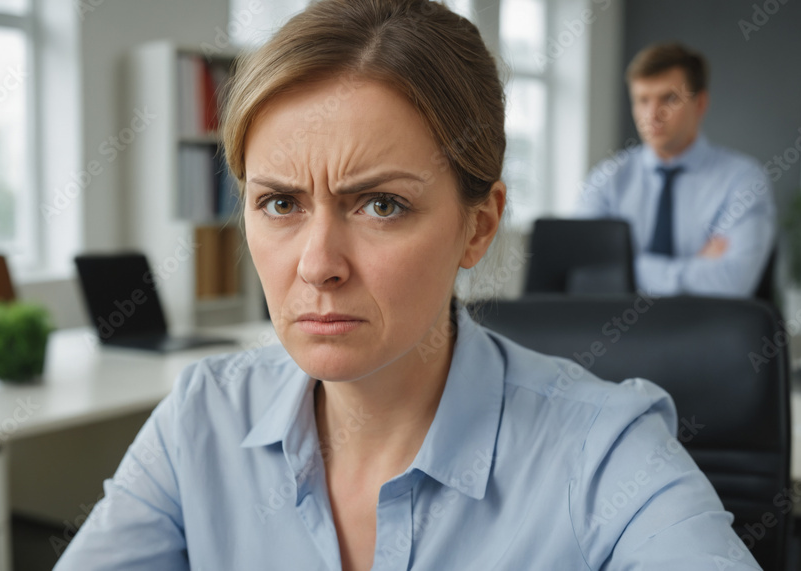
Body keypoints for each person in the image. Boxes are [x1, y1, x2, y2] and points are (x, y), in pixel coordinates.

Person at [56, 3, 763, 569]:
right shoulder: (201, 419)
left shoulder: (607, 452)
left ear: (479, 226)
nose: (317, 263)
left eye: (381, 204)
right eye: (280, 203)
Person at [576, 42, 776, 298]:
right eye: (642, 100)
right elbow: (585, 273)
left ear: (700, 103)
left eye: (669, 99)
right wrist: (696, 266)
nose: (653, 114)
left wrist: (626, 267)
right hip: (617, 332)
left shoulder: (744, 180)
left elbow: (732, 282)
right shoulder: (606, 178)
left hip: (704, 332)